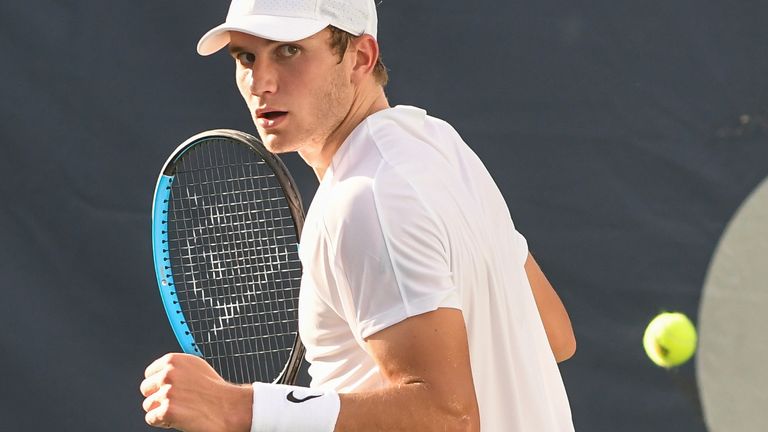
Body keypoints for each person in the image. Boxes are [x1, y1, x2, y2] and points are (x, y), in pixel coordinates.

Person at [140, 0, 576, 430]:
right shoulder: (441, 145)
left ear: (360, 57)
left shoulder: (365, 198)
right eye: (246, 57)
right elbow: (552, 336)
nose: (261, 82)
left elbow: (449, 417)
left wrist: (239, 409)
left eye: (289, 51)